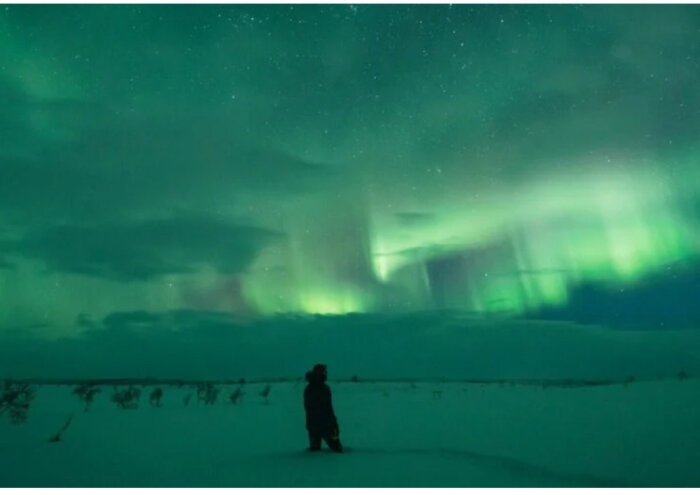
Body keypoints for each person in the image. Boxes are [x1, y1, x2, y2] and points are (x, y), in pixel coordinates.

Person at [304, 363, 342, 453]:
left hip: (320, 425)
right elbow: (314, 408)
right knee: (335, 451)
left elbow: (328, 407)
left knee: (334, 450)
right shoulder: (313, 389)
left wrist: (333, 422)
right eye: (324, 371)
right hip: (322, 426)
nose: (326, 373)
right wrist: (330, 423)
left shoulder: (324, 388)